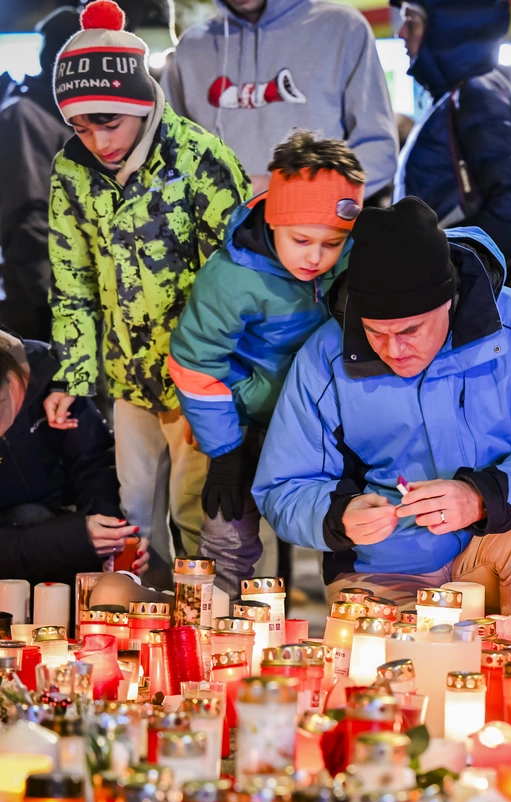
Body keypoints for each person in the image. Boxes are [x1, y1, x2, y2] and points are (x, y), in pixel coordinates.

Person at [252, 197, 511, 654]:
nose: (393, 350)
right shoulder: (325, 356)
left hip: (494, 543)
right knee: (395, 692)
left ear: (450, 300)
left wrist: (481, 497)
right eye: (376, 333)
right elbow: (283, 486)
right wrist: (340, 516)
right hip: (383, 565)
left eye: (410, 331)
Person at [43, 1, 250, 590]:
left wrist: (216, 378)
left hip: (200, 380)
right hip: (126, 380)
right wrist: (73, 379)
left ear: (139, 103)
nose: (97, 140)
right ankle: (137, 641)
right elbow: (72, 280)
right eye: (81, 127)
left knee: (198, 514)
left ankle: (209, 640)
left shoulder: (202, 159)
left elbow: (238, 282)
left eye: (108, 123)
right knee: (129, 518)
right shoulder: (72, 171)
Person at [169, 132, 366, 596]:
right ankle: (214, 629)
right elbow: (196, 365)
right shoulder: (232, 278)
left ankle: (358, 615)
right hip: (247, 426)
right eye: (301, 240)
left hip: (327, 423)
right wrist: (225, 450)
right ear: (274, 221)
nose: (316, 257)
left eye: (333, 243)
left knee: (350, 529)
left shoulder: (355, 258)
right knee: (228, 536)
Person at [163, 0, 398, 201]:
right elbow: (165, 151)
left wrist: (292, 192)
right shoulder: (191, 46)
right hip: (216, 240)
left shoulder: (343, 27)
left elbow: (378, 150)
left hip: (315, 238)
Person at [391, 0, 511, 265]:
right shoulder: (454, 96)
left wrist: (456, 272)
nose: (401, 32)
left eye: (412, 21)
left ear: (447, 29)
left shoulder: (474, 94)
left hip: (457, 292)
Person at [0, 329, 151, 584]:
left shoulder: (52, 376)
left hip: (69, 528)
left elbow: (93, 463)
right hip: (23, 547)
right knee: (29, 516)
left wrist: (112, 538)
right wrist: (75, 538)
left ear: (15, 380)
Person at [0, 7, 79, 340]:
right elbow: (28, 221)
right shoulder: (26, 117)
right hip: (42, 313)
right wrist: (58, 305)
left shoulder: (74, 121)